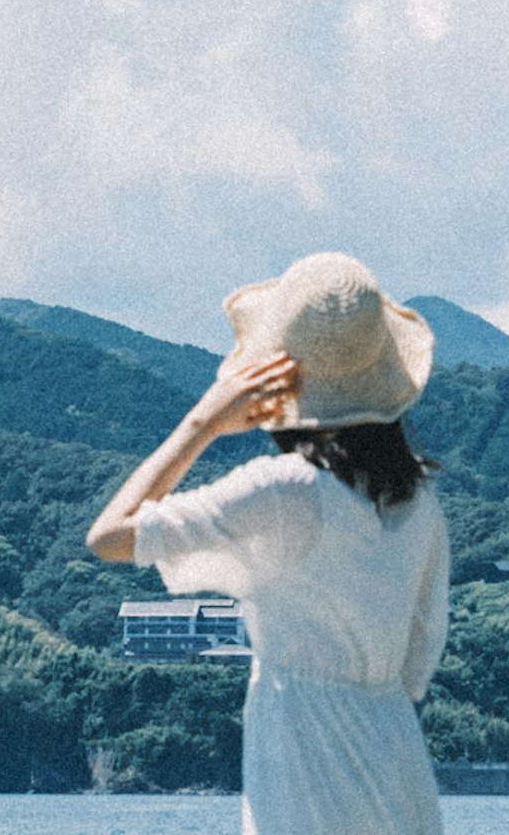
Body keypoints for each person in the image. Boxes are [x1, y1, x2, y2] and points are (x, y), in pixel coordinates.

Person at [90, 250, 449, 835]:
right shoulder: (416, 499)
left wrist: (203, 421)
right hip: (393, 749)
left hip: (305, 753)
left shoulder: (285, 492)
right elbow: (418, 659)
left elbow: (110, 535)